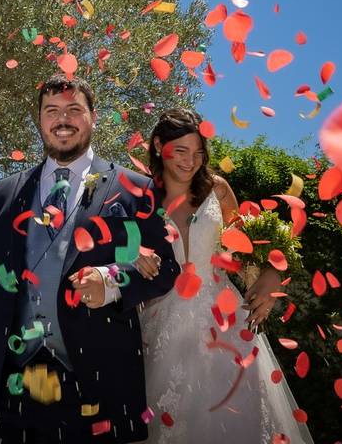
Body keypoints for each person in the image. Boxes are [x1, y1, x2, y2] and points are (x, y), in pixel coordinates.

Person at [0, 74, 180, 443]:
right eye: (52, 111)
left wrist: (113, 283)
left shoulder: (136, 189)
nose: (62, 119)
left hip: (94, 386)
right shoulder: (2, 194)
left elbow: (165, 268)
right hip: (5, 384)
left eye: (74, 109)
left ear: (93, 117)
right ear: (39, 120)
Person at [134, 108, 313, 443]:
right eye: (181, 151)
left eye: (199, 153)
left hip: (224, 320)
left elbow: (250, 253)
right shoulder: (140, 197)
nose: (191, 162)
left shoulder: (218, 190)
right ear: (159, 145)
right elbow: (122, 255)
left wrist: (271, 277)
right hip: (160, 326)